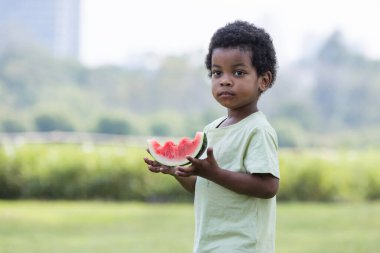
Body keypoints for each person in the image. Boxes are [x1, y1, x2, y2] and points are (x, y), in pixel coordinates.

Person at [144, 20, 280, 253]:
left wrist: (214, 173)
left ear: (263, 81)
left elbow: (268, 186)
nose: (225, 80)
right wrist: (176, 170)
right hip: (210, 245)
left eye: (238, 72)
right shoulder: (211, 130)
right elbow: (204, 186)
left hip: (243, 246)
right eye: (217, 73)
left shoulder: (257, 129)